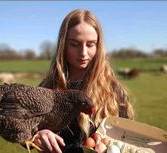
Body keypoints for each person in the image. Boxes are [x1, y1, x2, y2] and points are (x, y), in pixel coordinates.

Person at [35, 9, 134, 153]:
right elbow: (23, 129)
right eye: (74, 44)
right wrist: (38, 135)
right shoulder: (46, 88)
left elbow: (127, 140)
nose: (83, 53)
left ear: (98, 46)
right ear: (63, 45)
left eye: (90, 44)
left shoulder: (112, 91)